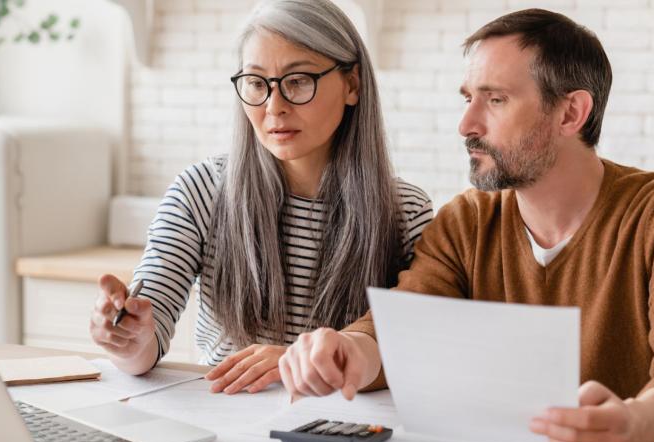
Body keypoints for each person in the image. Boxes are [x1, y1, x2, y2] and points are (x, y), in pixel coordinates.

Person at [278, 8, 654, 442]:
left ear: (570, 114)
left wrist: (634, 423)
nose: (467, 125)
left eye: (495, 99)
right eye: (468, 99)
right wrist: (348, 352)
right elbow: (404, 327)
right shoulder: (465, 221)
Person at [88, 0, 432, 396]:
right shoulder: (201, 190)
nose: (274, 107)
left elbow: (414, 347)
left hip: (346, 425)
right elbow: (146, 342)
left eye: (298, 81)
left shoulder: (406, 211)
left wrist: (295, 364)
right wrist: (127, 337)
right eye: (256, 83)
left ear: (352, 85)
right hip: (229, 418)